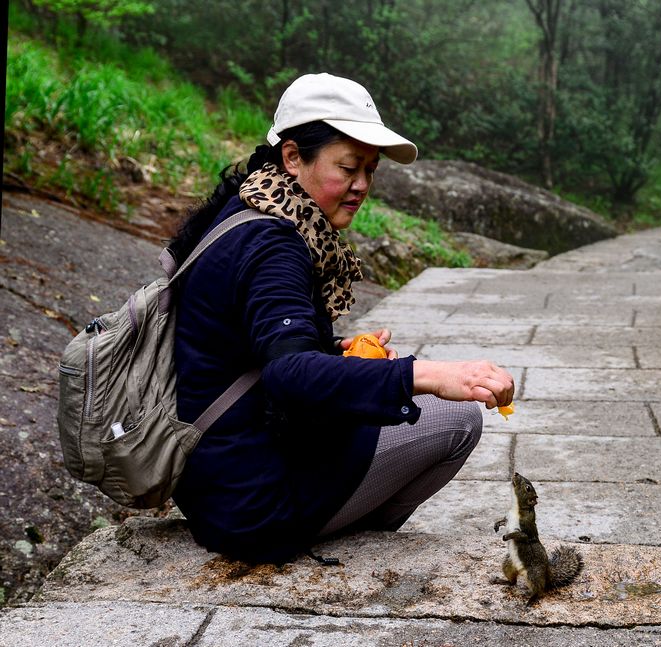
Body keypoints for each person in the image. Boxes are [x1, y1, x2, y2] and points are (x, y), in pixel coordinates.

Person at [168, 73, 515, 564]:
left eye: (370, 170)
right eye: (349, 167)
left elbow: (250, 346)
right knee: (456, 419)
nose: (361, 186)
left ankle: (340, 518)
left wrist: (336, 351)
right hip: (250, 501)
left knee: (384, 403)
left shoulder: (245, 211)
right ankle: (353, 543)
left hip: (218, 477)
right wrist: (432, 375)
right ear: (292, 157)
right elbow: (289, 374)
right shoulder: (274, 245)